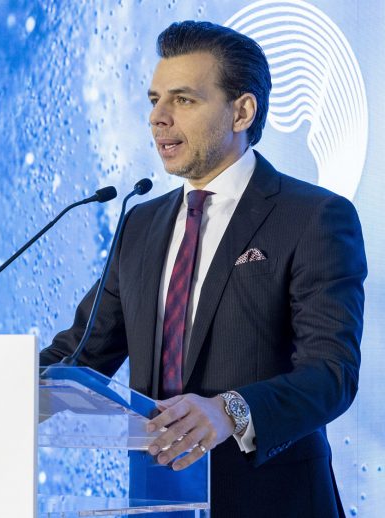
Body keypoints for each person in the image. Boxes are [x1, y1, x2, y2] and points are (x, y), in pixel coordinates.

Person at [40, 20, 366, 517]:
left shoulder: (313, 217)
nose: (158, 117)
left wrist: (228, 411)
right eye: (155, 100)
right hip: (157, 500)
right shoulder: (140, 224)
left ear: (242, 111)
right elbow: (82, 353)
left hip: (273, 501)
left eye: (183, 100)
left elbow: (331, 374)